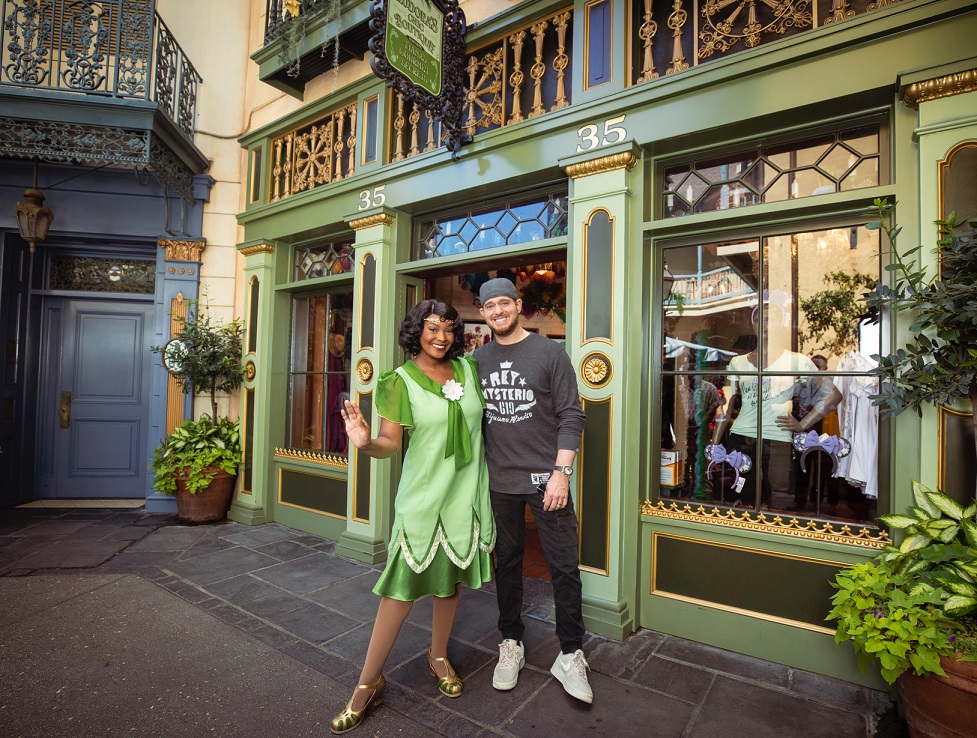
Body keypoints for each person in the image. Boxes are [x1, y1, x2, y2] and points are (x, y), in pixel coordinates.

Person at [331, 299, 495, 734]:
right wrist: (365, 443)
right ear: (415, 331)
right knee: (400, 594)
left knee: (450, 583)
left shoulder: (469, 370)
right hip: (423, 500)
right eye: (431, 328)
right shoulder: (397, 381)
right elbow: (390, 443)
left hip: (465, 496)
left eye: (447, 328)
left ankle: (438, 655)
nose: (440, 337)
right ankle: (367, 686)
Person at [474, 277, 593, 704]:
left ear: (519, 306)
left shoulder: (550, 353)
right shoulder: (477, 359)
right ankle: (511, 642)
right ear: (483, 312)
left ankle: (571, 653)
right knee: (507, 565)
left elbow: (571, 416)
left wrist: (562, 472)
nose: (499, 311)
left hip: (547, 481)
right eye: (491, 306)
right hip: (499, 482)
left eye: (505, 303)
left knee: (563, 567)